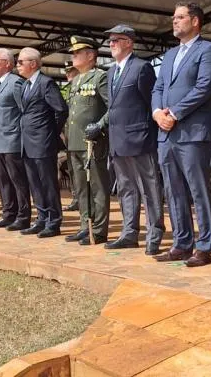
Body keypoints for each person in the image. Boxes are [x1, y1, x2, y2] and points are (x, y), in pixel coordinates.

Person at [151, 1, 211, 268]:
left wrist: (175, 113)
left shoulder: (209, 50)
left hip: (192, 132)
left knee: (197, 189)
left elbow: (204, 87)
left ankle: (204, 247)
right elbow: (158, 87)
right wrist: (158, 112)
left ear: (195, 21)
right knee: (172, 189)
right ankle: (182, 243)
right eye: (174, 17)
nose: (174, 21)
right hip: (166, 133)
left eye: (180, 17)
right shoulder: (169, 55)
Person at [100, 24, 164, 254]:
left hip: (140, 138)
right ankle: (129, 233)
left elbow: (152, 104)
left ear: (129, 42)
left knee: (149, 188)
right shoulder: (111, 72)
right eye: (110, 40)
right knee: (126, 188)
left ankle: (154, 233)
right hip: (118, 140)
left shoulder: (142, 68)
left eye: (116, 40)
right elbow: (113, 106)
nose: (111, 44)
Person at [64, 36, 111, 245]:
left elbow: (113, 107)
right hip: (75, 141)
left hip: (93, 141)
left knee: (98, 186)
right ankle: (86, 225)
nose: (73, 56)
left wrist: (99, 126)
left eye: (77, 52)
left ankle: (99, 229)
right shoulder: (76, 80)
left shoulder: (100, 78)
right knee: (81, 186)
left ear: (90, 55)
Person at [17, 47, 69, 238]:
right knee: (35, 183)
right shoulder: (25, 85)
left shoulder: (46, 83)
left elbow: (61, 110)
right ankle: (41, 219)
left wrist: (50, 132)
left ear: (33, 63)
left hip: (43, 142)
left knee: (47, 183)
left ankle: (53, 222)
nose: (18, 66)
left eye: (20, 62)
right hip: (27, 142)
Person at [0, 48, 32, 230]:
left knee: (18, 181)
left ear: (7, 63)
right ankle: (8, 213)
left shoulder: (16, 83)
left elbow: (25, 111)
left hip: (13, 140)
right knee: (3, 181)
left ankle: (23, 216)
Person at [62, 64, 80, 212]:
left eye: (71, 71)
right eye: (67, 72)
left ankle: (84, 198)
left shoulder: (83, 86)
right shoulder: (66, 90)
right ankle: (76, 197)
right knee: (72, 168)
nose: (68, 74)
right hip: (68, 135)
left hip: (80, 135)